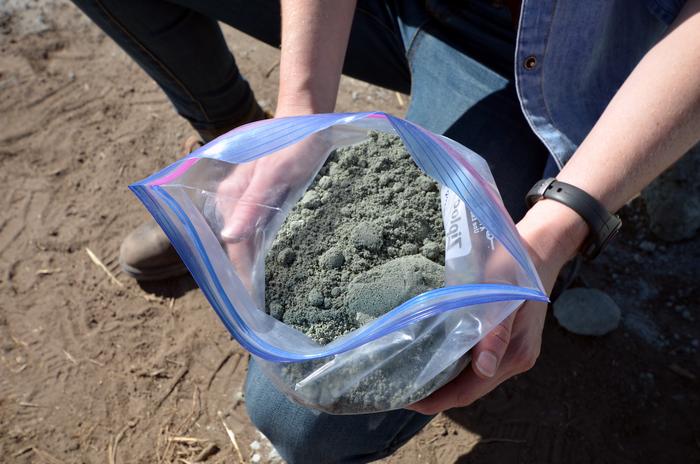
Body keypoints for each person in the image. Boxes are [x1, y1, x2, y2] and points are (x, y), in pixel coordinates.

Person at [70, 0, 700, 462]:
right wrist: (296, 120)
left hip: (541, 64)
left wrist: (552, 232)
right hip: (382, 11)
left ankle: (563, 204)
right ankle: (237, 148)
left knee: (297, 416)